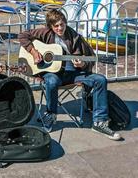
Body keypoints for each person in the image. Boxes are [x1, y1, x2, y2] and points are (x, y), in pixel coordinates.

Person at [18, 9, 121, 141]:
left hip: (74, 74)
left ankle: (99, 122)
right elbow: (22, 36)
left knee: (100, 79)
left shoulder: (75, 37)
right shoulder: (44, 33)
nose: (60, 28)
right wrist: (33, 52)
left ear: (65, 23)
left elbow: (91, 56)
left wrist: (82, 65)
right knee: (51, 81)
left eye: (62, 24)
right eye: (56, 26)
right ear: (50, 26)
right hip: (53, 74)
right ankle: (51, 114)